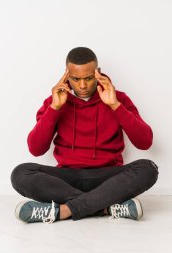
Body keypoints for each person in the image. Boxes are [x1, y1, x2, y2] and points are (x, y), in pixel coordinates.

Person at [11, 47, 159, 224]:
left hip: (108, 178)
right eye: (75, 79)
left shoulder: (118, 98)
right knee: (20, 173)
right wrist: (55, 108)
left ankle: (62, 211)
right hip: (67, 179)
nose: (82, 85)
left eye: (88, 79)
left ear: (98, 73)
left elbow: (145, 142)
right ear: (67, 76)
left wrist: (115, 105)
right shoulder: (55, 101)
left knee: (148, 168)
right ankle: (106, 207)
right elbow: (36, 149)